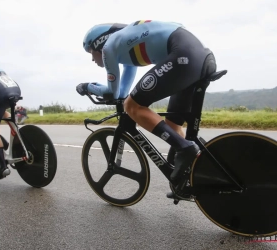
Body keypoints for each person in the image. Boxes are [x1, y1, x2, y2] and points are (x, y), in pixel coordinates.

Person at [77, 21, 217, 194]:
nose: (92, 58)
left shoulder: (108, 48)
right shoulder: (125, 46)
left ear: (99, 42)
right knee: (173, 125)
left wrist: (87, 87)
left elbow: (113, 93)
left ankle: (186, 148)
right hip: (197, 56)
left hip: (184, 55)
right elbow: (122, 91)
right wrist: (119, 96)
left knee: (132, 106)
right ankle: (190, 174)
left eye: (91, 52)